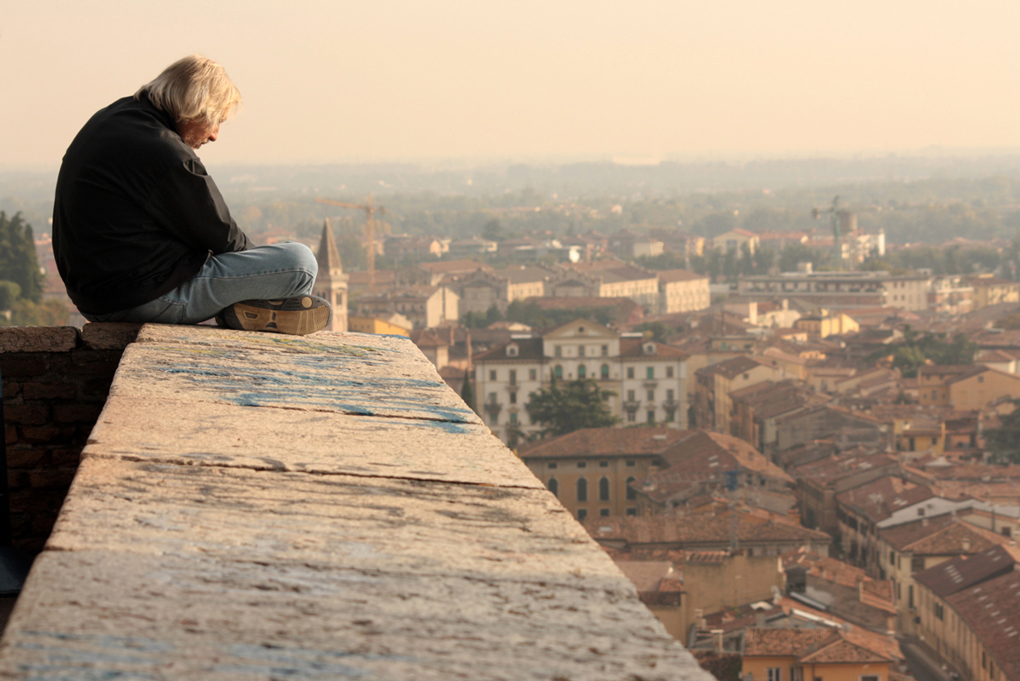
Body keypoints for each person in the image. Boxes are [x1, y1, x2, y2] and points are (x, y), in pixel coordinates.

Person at [53, 54, 331, 335]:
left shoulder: (113, 119)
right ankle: (254, 307)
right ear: (197, 109)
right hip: (143, 298)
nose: (214, 136)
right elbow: (223, 236)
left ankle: (249, 309)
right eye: (216, 121)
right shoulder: (165, 152)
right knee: (300, 262)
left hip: (97, 297)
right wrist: (264, 270)